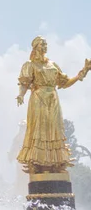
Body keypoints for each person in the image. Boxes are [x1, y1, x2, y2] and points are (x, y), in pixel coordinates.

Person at [16, 36, 91, 174]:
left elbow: (65, 83)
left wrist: (83, 72)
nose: (45, 46)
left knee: (54, 129)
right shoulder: (30, 65)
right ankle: (37, 163)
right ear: (35, 47)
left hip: (53, 99)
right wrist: (21, 95)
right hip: (38, 99)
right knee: (39, 129)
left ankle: (56, 163)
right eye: (42, 44)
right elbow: (25, 83)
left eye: (45, 44)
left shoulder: (53, 65)